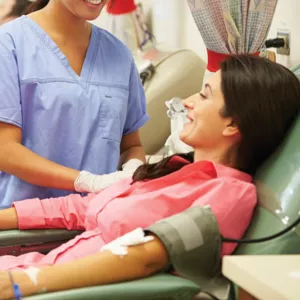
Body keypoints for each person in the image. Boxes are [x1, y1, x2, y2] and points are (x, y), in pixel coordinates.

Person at [1, 55, 300, 299]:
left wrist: (22, 281)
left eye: (205, 95)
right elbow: (78, 209)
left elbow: (145, 257)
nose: (187, 101)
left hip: (49, 286)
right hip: (35, 270)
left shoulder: (230, 194)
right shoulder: (175, 170)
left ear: (233, 124)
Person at [0, 0, 148, 210]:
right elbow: (4, 150)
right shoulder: (8, 45)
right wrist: (87, 182)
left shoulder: (119, 55)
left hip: (96, 222)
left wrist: (133, 168)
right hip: (23, 228)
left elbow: (131, 145)